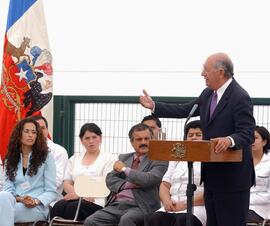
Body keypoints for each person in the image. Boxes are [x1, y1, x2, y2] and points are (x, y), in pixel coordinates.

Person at [139, 52, 256, 226]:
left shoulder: (240, 96)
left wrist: (229, 140)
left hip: (233, 180)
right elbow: (185, 110)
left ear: (221, 72)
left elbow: (247, 132)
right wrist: (155, 106)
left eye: (206, 70)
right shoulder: (208, 94)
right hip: (212, 177)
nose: (203, 74)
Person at [84, 123, 168, 226]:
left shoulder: (158, 159)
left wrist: (124, 169)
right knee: (91, 221)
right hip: (117, 205)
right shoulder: (124, 158)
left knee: (126, 220)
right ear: (131, 142)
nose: (144, 142)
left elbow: (149, 179)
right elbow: (110, 179)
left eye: (147, 139)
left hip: (141, 206)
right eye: (139, 139)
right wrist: (131, 184)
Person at [50, 123, 116, 221]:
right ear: (81, 141)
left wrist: (81, 195)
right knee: (58, 206)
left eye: (94, 137)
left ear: (100, 138)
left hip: (96, 201)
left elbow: (106, 184)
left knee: (72, 209)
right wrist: (78, 194)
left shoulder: (109, 158)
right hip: (74, 197)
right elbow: (67, 183)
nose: (91, 141)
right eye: (87, 138)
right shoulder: (74, 159)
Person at [0, 117, 57, 225]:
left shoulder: (46, 157)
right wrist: (21, 199)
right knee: (3, 196)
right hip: (15, 203)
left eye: (34, 132)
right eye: (26, 131)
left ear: (37, 136)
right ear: (19, 134)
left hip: (37, 207)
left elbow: (51, 191)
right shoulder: (10, 157)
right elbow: (8, 189)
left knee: (3, 211)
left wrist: (35, 201)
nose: (30, 135)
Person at [149, 120, 206, 226]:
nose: (193, 138)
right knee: (156, 219)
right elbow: (165, 184)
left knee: (183, 221)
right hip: (173, 204)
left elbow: (211, 191)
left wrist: (185, 204)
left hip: (198, 206)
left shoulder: (211, 161)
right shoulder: (176, 159)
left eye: (198, 135)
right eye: (190, 135)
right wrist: (167, 201)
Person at [31, 115, 68, 204]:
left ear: (47, 130)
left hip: (48, 202)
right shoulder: (23, 151)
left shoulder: (59, 151)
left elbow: (55, 182)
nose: (40, 132)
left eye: (43, 128)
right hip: (22, 197)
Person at [247, 126, 270, 222]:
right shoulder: (241, 160)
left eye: (255, 138)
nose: (251, 141)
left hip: (261, 208)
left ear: (264, 142)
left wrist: (245, 199)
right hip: (239, 204)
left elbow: (268, 195)